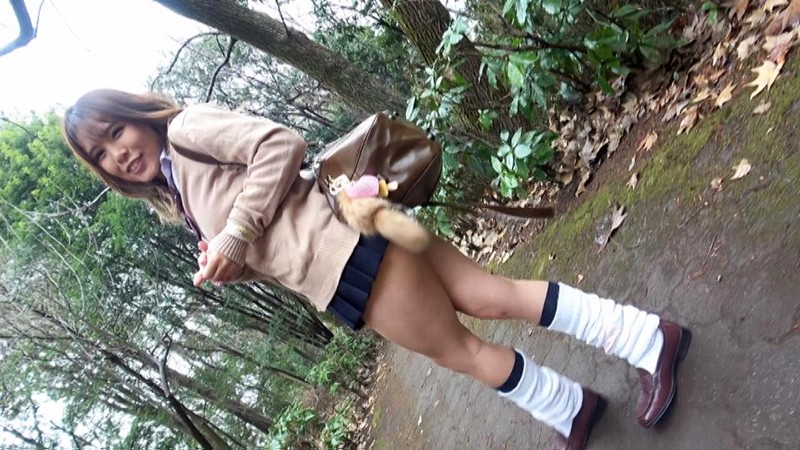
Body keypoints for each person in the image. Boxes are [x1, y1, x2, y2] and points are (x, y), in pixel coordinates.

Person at [62, 89, 691, 450]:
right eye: (101, 153)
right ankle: (628, 353)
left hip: (347, 253)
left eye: (117, 132)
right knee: (488, 294)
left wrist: (234, 232)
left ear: (137, 114)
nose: (118, 153)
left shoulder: (187, 130)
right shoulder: (179, 190)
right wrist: (230, 259)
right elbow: (271, 244)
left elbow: (279, 145)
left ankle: (591, 390)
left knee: (462, 351)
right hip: (354, 236)